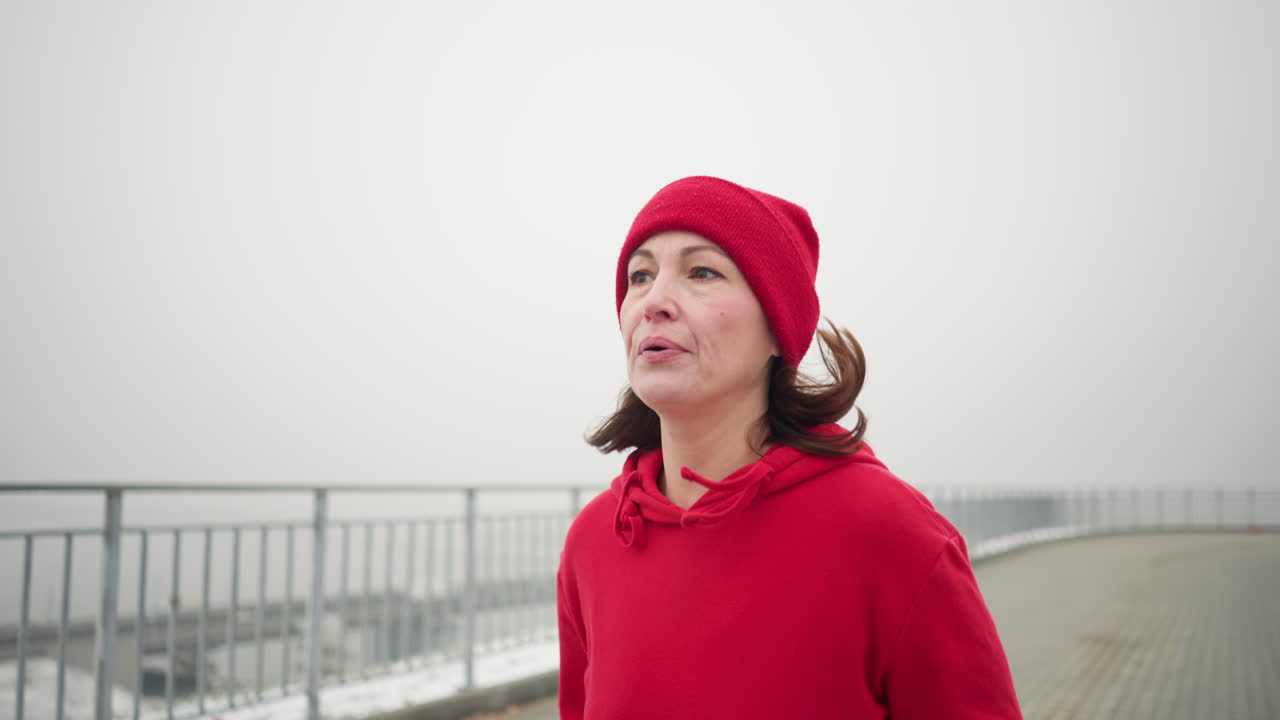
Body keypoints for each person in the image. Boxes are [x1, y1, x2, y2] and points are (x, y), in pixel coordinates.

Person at [556, 176, 1022, 719]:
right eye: (639, 276)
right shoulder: (593, 543)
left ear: (779, 327)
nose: (654, 301)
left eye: (701, 271)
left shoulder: (890, 530)